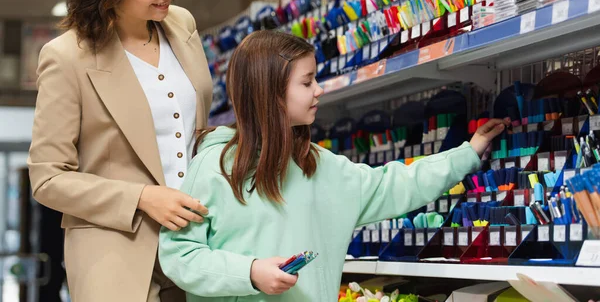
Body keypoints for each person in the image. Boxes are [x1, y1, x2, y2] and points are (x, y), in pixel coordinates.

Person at [158, 31, 510, 302]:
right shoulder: (213, 168)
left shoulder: (319, 166)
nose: (319, 91)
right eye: (307, 81)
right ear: (271, 93)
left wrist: (468, 151)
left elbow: (395, 184)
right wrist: (249, 273)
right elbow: (180, 256)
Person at [27, 0, 212, 301]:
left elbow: (192, 130)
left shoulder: (182, 25)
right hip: (116, 259)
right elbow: (48, 178)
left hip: (197, 248)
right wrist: (142, 197)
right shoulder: (67, 57)